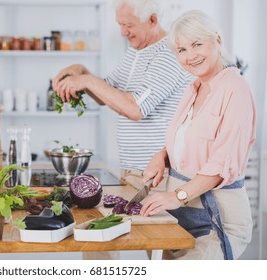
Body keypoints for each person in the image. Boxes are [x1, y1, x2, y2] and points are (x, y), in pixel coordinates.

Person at [140, 10, 256, 260]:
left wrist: (175, 196)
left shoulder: (236, 90)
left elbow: (219, 166)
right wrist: (162, 156)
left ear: (217, 40)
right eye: (181, 50)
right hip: (182, 214)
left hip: (217, 221)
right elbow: (189, 142)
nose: (190, 56)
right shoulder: (193, 89)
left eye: (197, 44)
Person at [53, 0, 193, 194]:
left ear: (152, 20)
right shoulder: (136, 51)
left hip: (158, 175)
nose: (122, 32)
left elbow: (135, 109)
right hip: (133, 169)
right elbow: (107, 94)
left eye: (129, 25)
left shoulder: (168, 55)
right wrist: (80, 70)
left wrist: (86, 80)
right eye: (120, 24)